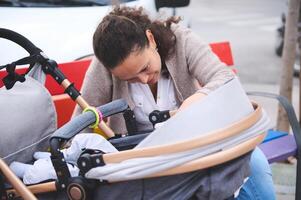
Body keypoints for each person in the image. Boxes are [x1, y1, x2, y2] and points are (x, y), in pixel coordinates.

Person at [71, 6, 276, 200]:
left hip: (196, 146)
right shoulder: (106, 64)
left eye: (144, 68)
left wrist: (197, 100)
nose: (143, 80)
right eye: (130, 79)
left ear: (150, 39)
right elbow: (82, 123)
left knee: (255, 163)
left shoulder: (180, 40)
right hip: (143, 163)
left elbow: (224, 77)